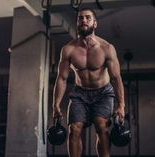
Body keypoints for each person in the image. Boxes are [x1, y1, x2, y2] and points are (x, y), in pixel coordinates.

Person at [52, 8, 125, 157]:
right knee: (74, 129)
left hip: (103, 93)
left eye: (87, 18)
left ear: (95, 23)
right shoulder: (68, 50)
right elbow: (62, 78)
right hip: (80, 93)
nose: (83, 20)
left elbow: (116, 78)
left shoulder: (107, 48)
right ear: (77, 23)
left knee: (102, 127)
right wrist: (56, 104)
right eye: (80, 18)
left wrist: (121, 105)